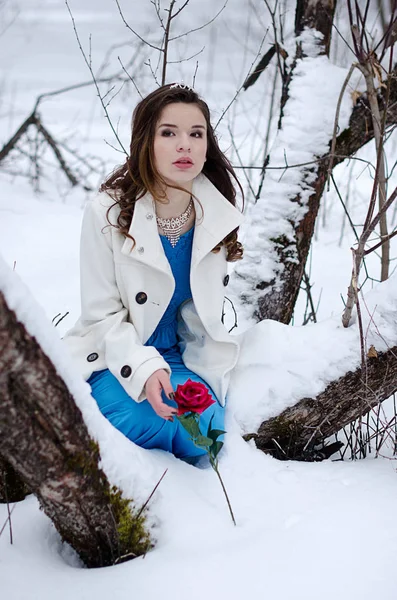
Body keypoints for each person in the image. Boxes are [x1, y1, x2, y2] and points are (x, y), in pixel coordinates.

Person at [63, 83, 244, 464]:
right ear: (146, 141)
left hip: (180, 355)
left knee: (205, 436)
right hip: (116, 352)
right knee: (145, 421)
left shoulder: (217, 212)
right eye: (169, 133)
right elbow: (101, 317)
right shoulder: (107, 212)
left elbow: (200, 317)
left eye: (196, 134)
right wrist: (143, 369)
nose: (185, 146)